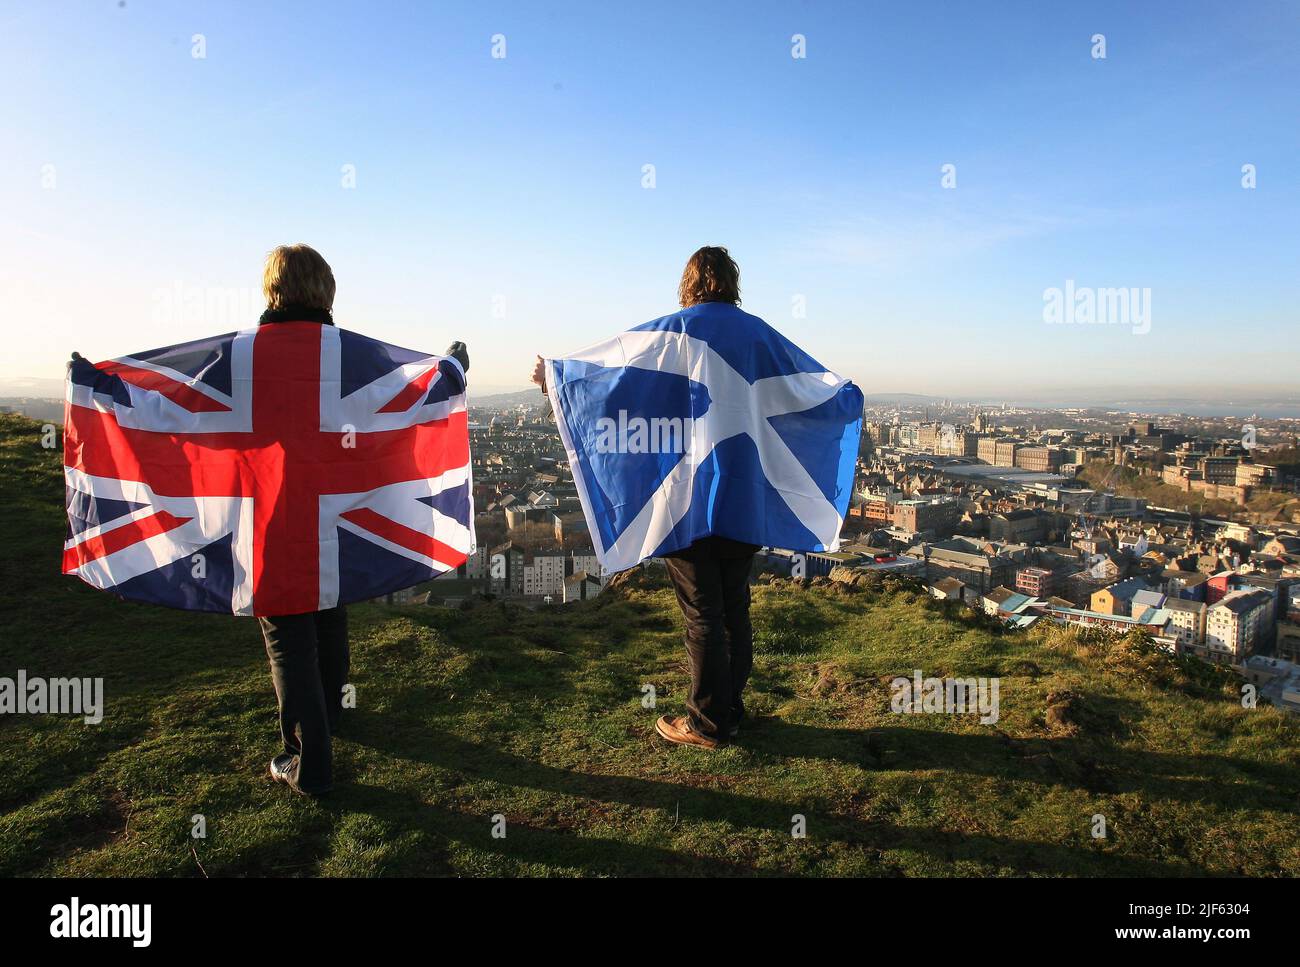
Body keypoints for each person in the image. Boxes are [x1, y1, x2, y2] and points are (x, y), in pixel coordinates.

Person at [258, 244, 468, 794]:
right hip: (337, 516)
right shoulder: (346, 357)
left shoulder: (244, 358)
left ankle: (310, 763)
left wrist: (99, 387)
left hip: (274, 519)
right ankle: (333, 710)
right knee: (328, 610)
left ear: (272, 290)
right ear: (326, 291)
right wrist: (449, 370)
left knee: (288, 634)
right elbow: (402, 396)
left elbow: (173, 405)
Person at [530, 246, 757, 750]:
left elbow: (617, 378)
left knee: (703, 613)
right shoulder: (756, 335)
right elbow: (801, 385)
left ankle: (708, 724)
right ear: (732, 283)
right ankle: (731, 710)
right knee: (734, 608)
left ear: (690, 283)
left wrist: (557, 378)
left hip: (688, 499)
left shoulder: (671, 335)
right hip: (743, 496)